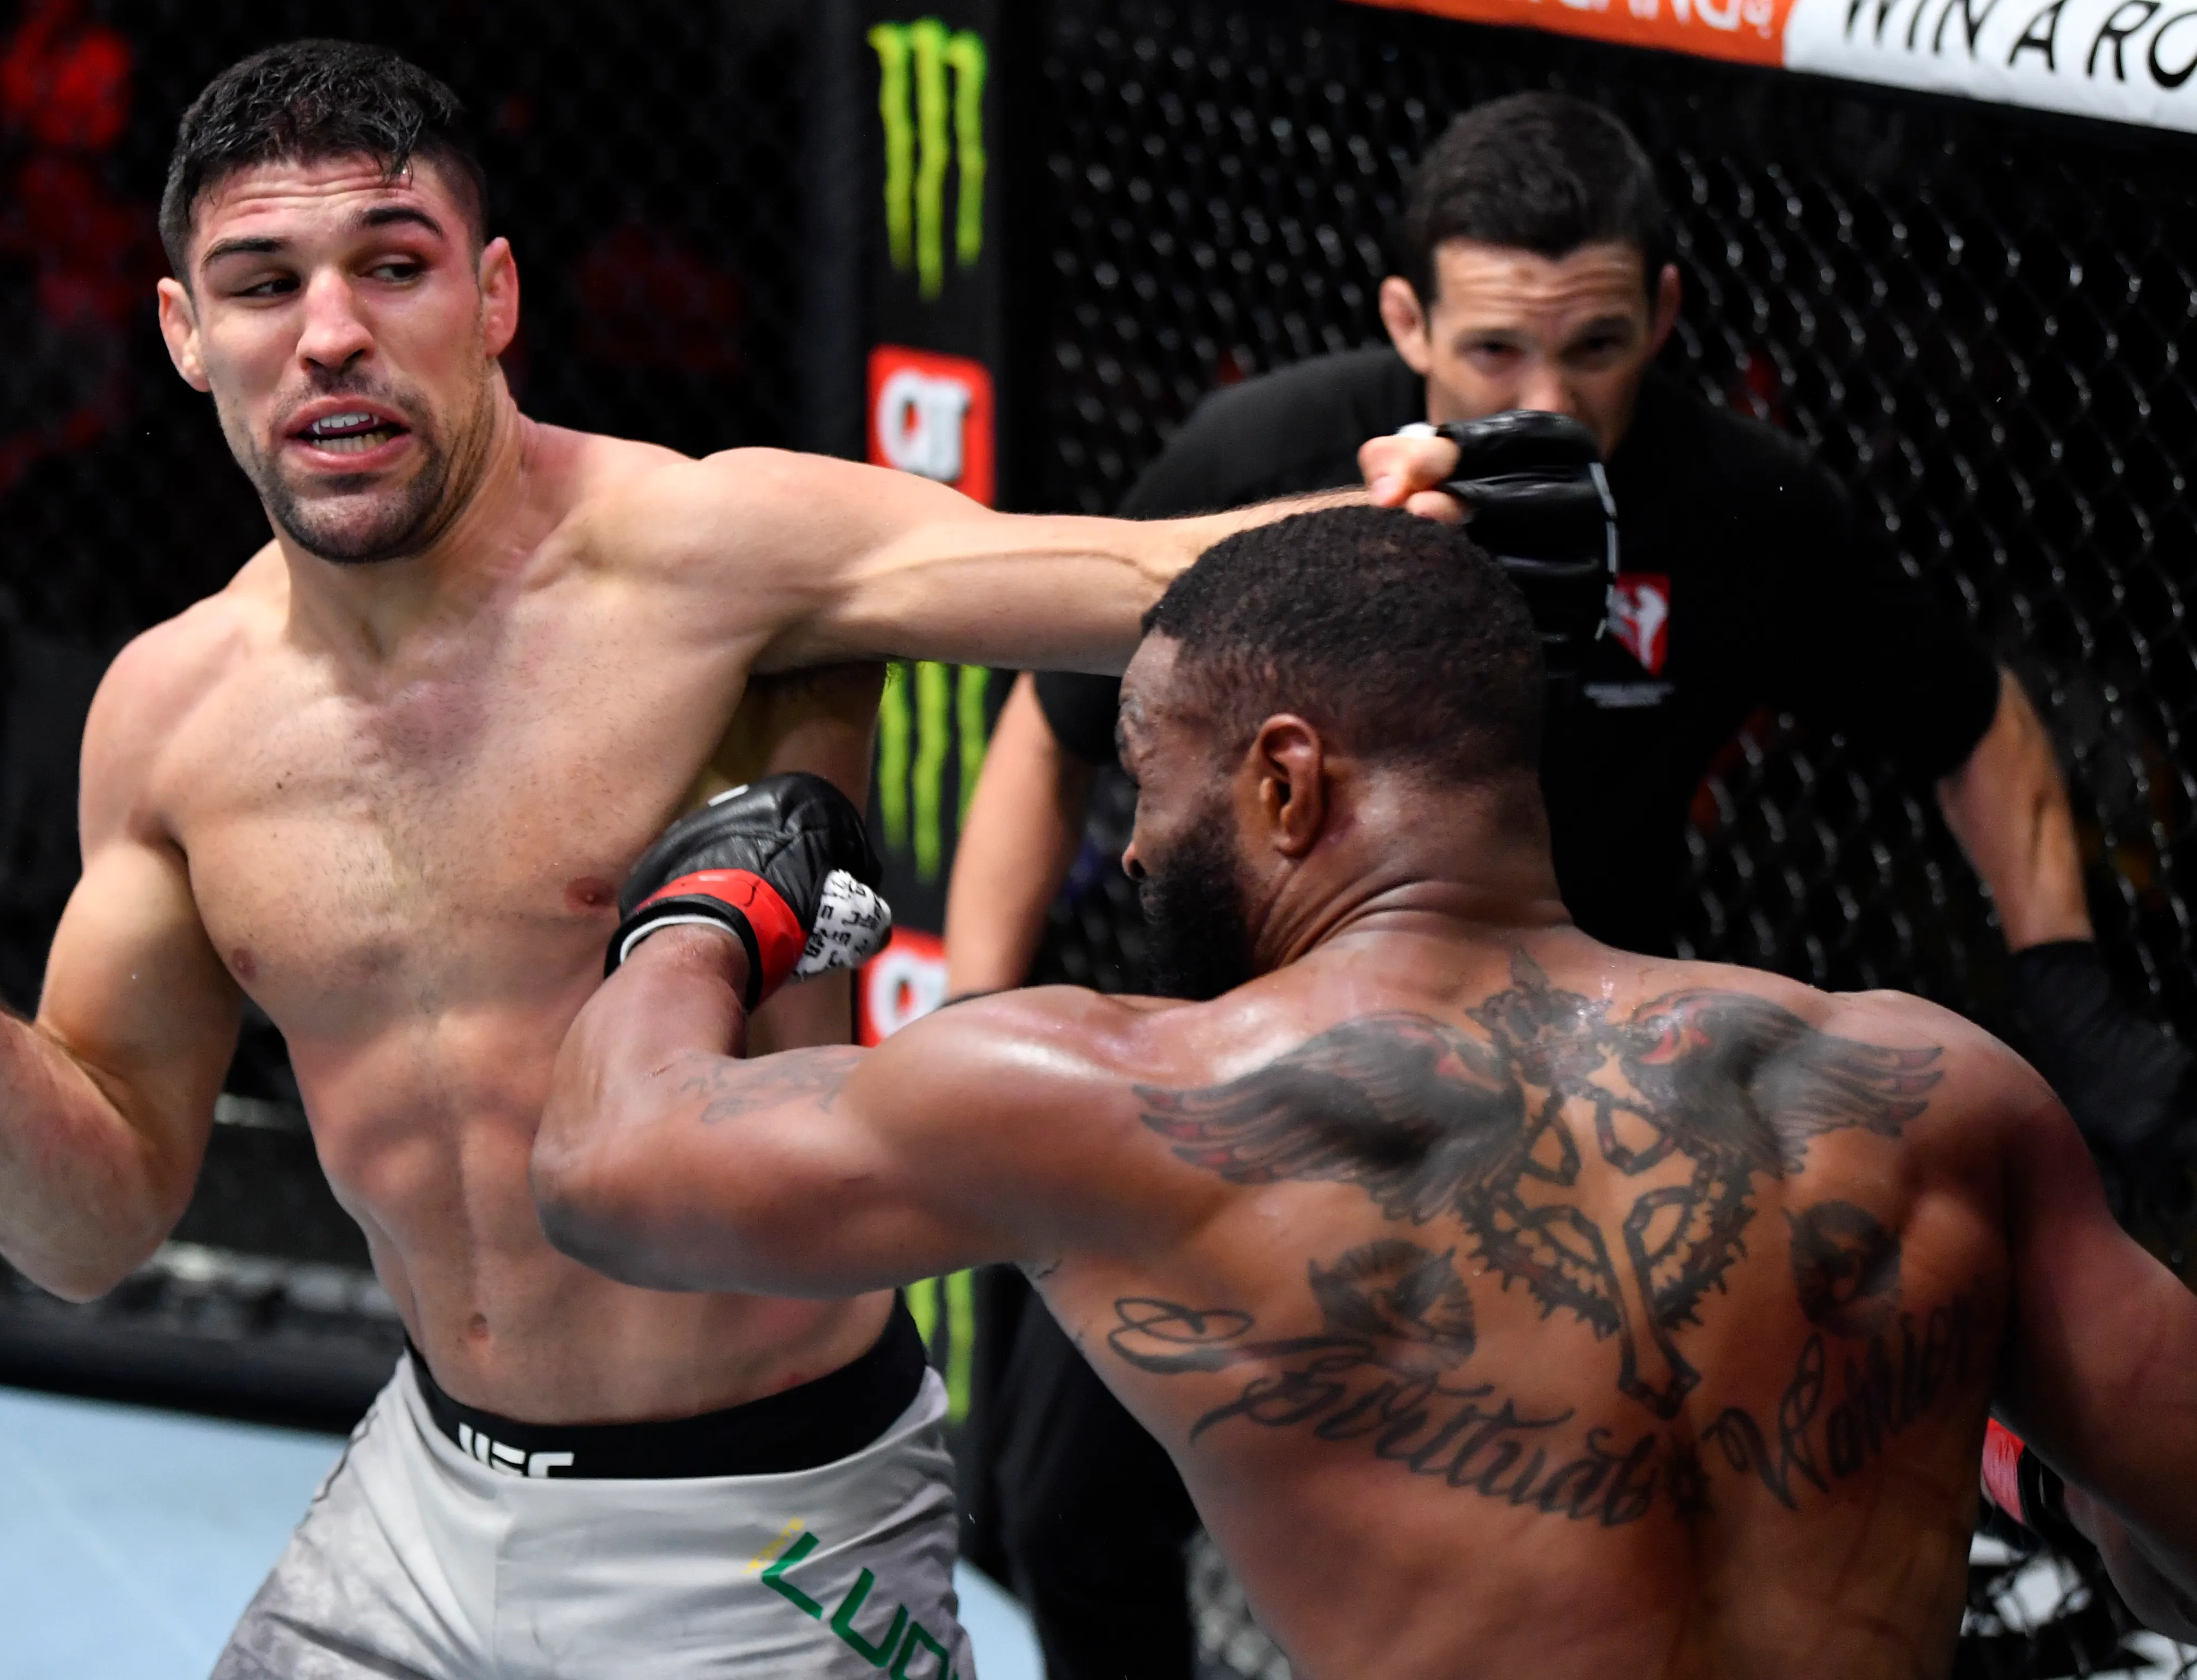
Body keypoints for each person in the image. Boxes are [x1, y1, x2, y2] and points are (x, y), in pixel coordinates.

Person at [0, 41, 1464, 1680]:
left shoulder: (722, 559)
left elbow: (1153, 581)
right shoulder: (168, 717)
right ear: (187, 335)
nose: (329, 334)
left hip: (765, 1529)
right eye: (265, 287)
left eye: (391, 267)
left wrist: (1423, 518)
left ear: (492, 298)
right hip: (419, 1498)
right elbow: (89, 1229)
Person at [937, 90, 2194, 1676]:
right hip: (1240, 1082)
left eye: (1595, 347)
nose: (1549, 396)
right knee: (1066, 1511)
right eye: (1493, 354)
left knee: (1592, 1518)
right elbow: (1051, 731)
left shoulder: (1742, 505)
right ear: (1407, 319)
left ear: (1667, 313)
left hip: (1594, 1100)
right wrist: (982, 1010)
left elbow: (1968, 716)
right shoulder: (1268, 462)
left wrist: (2061, 969)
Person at [531, 504, 2197, 1679]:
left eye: (1153, 776)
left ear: (1283, 775)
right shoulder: (1928, 1087)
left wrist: (706, 909)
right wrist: (2046, 1492)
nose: (1132, 839)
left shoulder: (1111, 1100)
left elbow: (611, 1166)